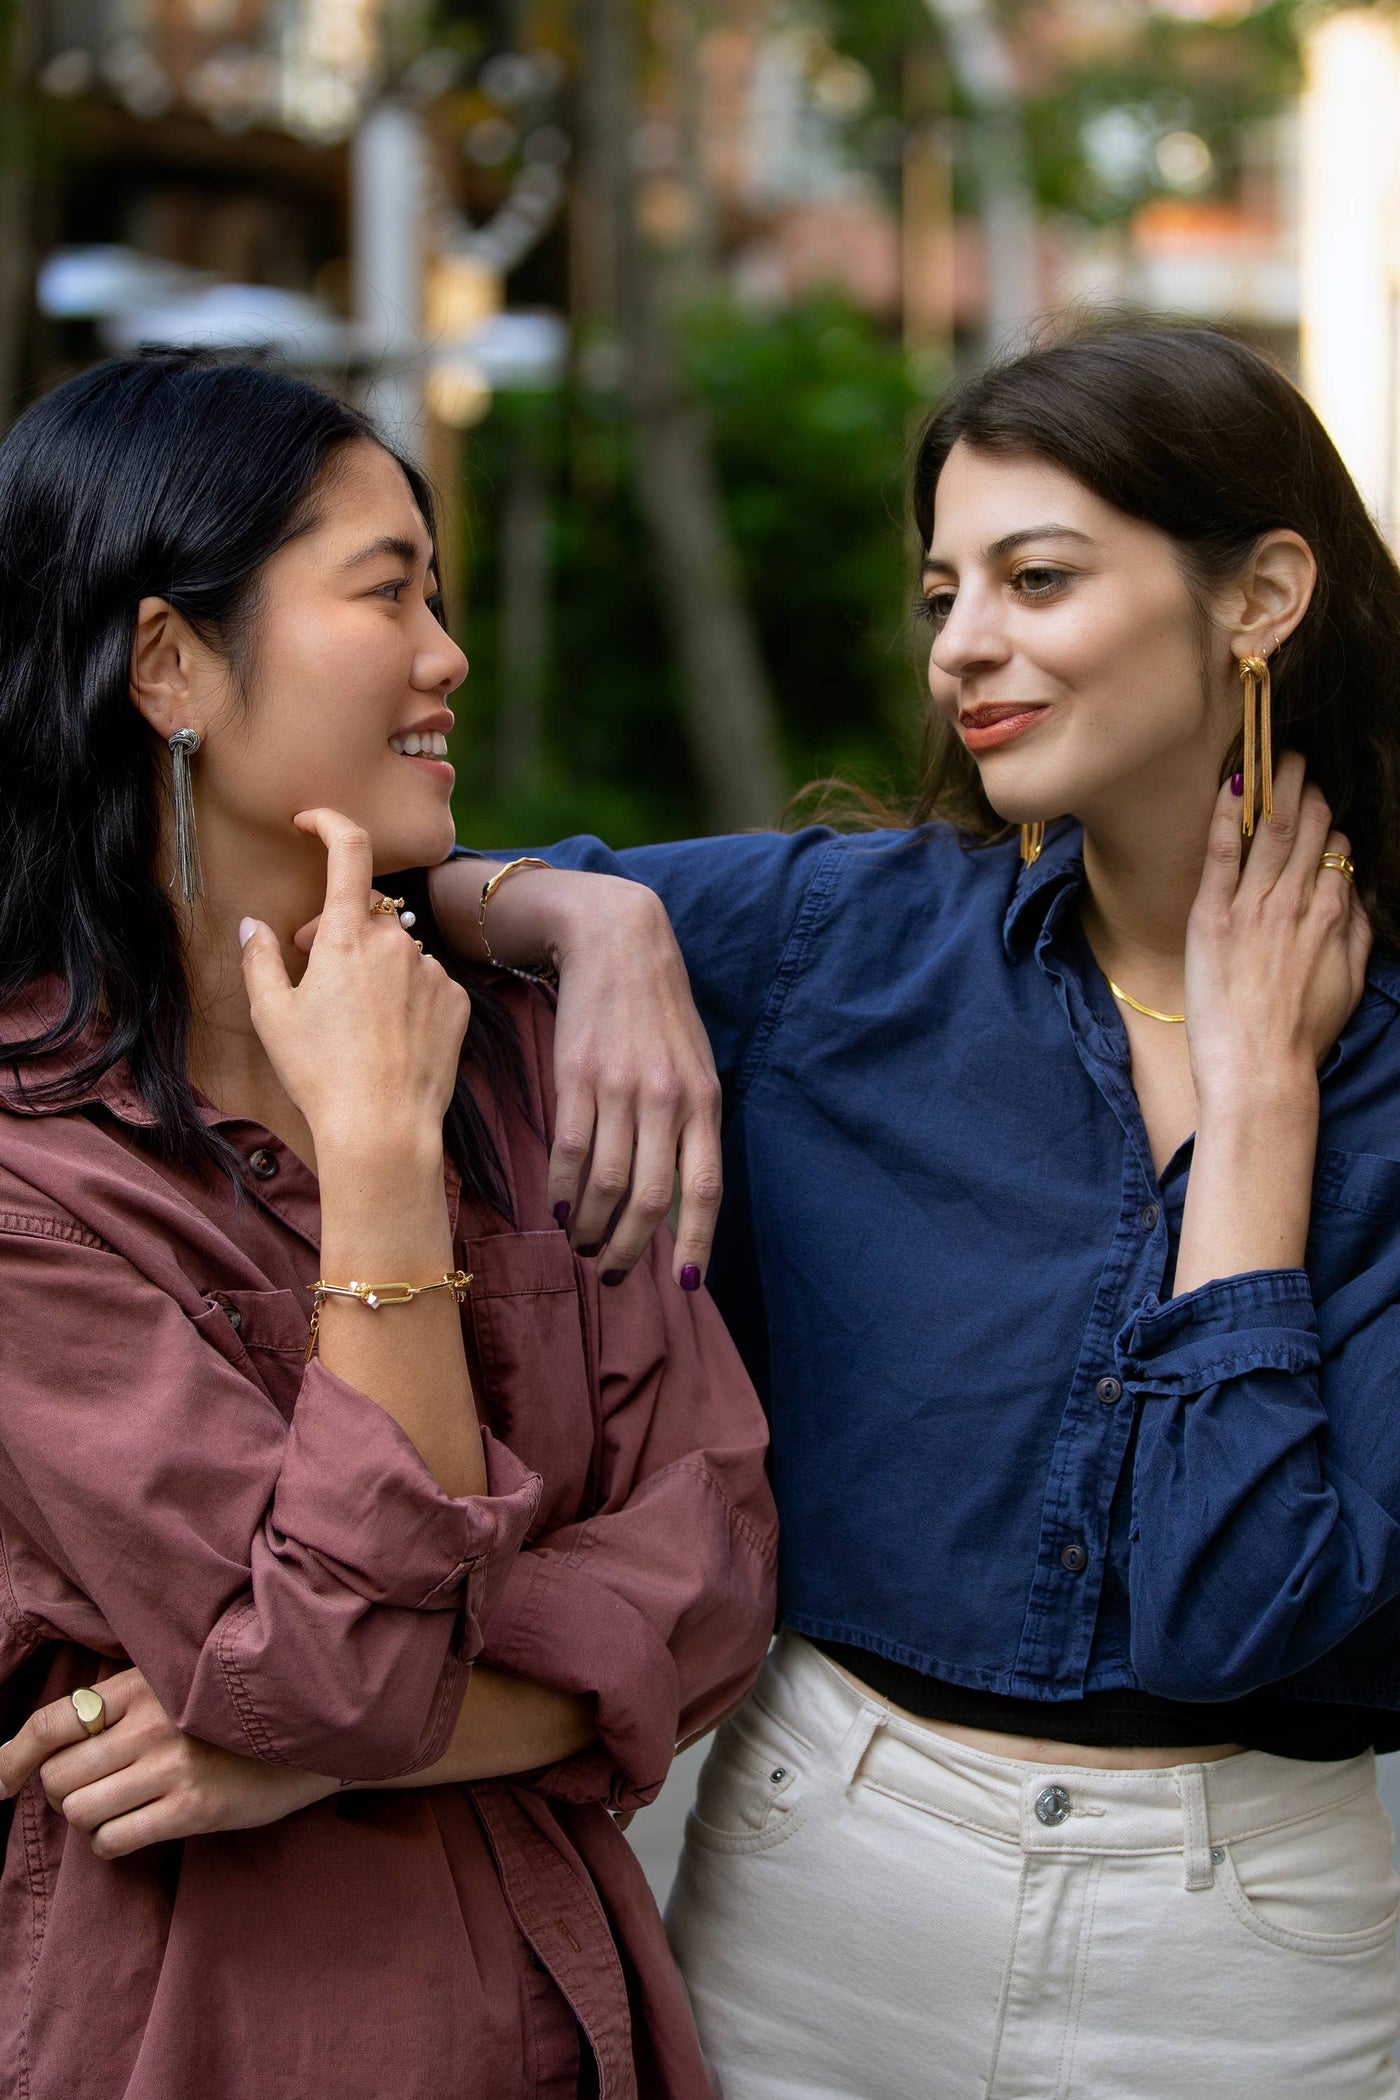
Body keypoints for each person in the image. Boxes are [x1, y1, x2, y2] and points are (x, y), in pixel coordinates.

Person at [15, 320, 1400, 2096]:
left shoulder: (1369, 1075)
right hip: (827, 1885)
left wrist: (1263, 1108)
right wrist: (596, 920)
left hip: (1251, 1949)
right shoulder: (833, 946)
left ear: (1262, 595)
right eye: (942, 588)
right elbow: (355, 898)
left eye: (1036, 577)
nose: (963, 642)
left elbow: (1224, 1607)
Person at [0, 349, 777, 2100]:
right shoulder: (36, 1177)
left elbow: (717, 1562)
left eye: (440, 592)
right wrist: (371, 1156)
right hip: (212, 2029)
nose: (448, 656)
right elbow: (340, 1677)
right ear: (169, 665)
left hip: (567, 2022)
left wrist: (334, 1752)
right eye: (388, 592)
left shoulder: (520, 1059)